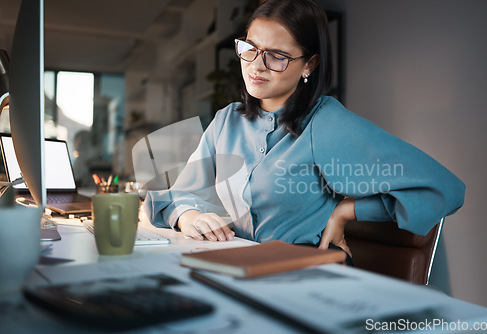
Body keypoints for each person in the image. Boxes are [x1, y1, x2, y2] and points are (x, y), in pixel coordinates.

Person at [143, 0, 465, 262]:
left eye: (277, 57)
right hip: (240, 271)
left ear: (309, 64)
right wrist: (188, 216)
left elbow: (443, 188)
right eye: (250, 48)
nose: (256, 66)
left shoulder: (326, 122)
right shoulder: (227, 121)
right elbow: (176, 196)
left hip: (305, 276)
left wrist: (346, 211)